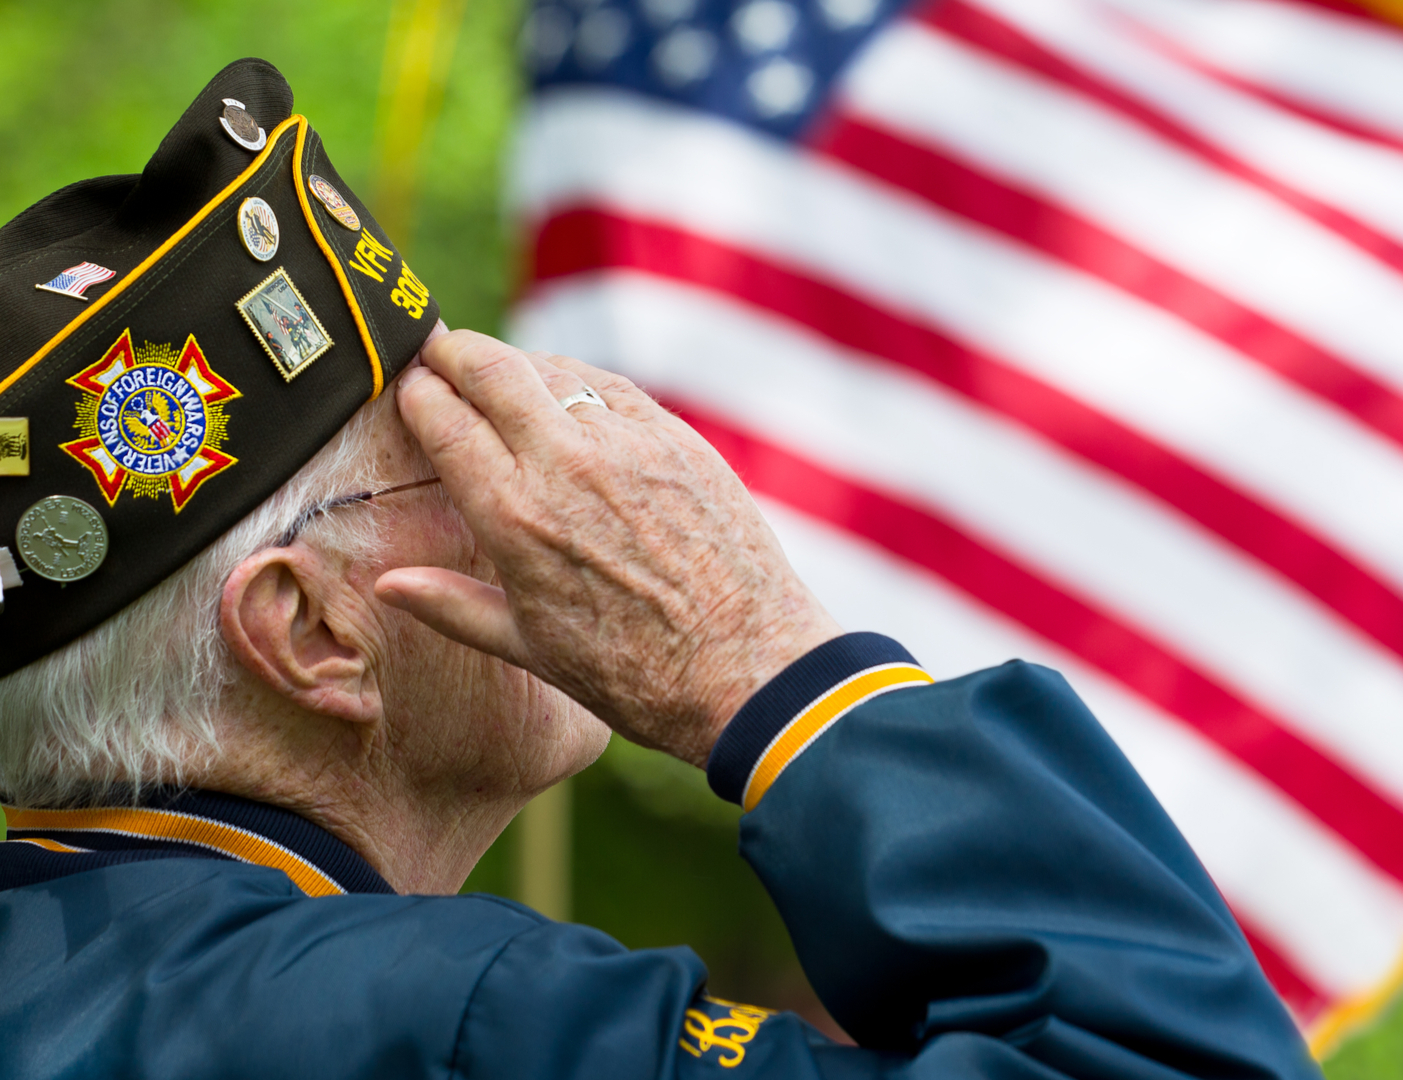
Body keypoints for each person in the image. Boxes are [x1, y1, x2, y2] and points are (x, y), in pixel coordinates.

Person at [0, 62, 1320, 1080]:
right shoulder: (448, 1023)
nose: (576, 479)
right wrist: (759, 662)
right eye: (463, 449)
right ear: (312, 633)